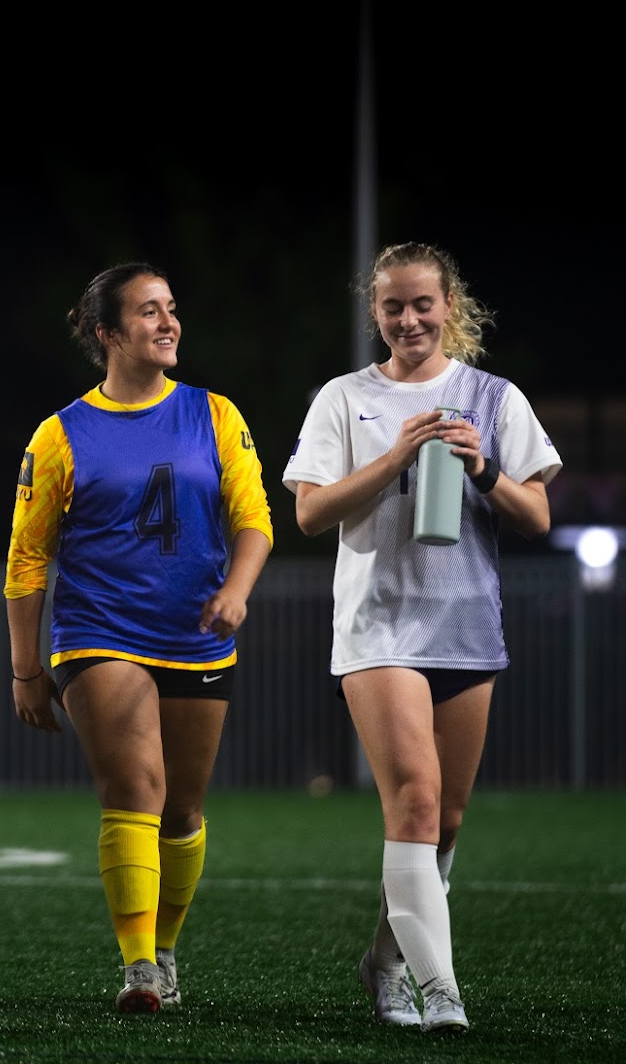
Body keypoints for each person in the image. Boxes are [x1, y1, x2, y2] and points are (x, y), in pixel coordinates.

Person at [282, 240, 562, 1036]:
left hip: (466, 625)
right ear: (374, 313)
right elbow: (308, 512)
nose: (408, 319)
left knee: (448, 820)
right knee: (415, 798)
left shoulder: (491, 396)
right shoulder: (344, 397)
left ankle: (386, 963)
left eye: (422, 304)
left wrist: (482, 470)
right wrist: (397, 454)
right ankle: (442, 990)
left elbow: (538, 515)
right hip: (379, 627)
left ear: (450, 307)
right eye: (392, 306)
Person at [4, 262, 273, 1016]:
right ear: (108, 334)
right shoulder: (60, 434)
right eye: (149, 312)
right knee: (136, 789)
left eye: (171, 308)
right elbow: (27, 558)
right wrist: (28, 672)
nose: (168, 322)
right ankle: (137, 970)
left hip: (195, 632)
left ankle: (165, 949)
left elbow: (254, 516)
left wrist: (235, 591)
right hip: (99, 630)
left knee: (183, 812)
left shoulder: (214, 413)